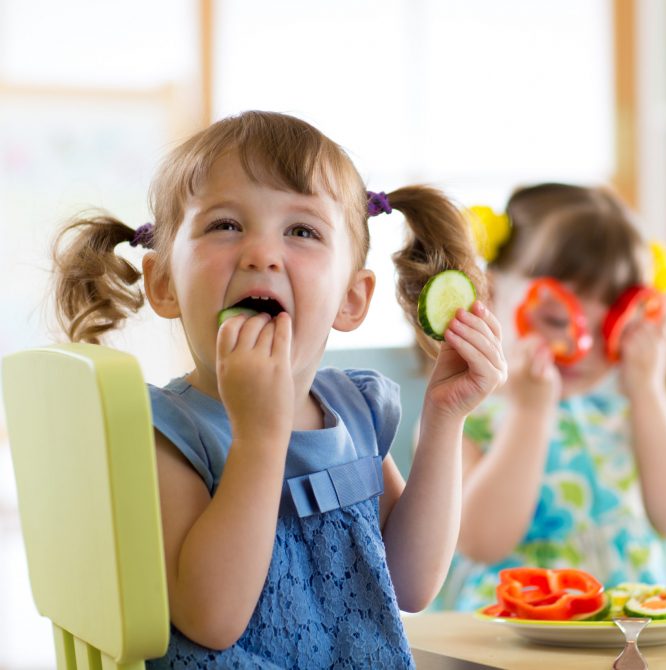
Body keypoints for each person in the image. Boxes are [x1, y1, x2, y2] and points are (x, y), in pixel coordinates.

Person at [51, 110, 507, 668]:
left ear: (351, 299)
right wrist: (260, 437)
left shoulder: (355, 412)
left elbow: (411, 584)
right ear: (164, 283)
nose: (261, 254)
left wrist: (443, 420)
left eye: (302, 231)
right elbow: (212, 619)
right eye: (225, 225)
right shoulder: (164, 431)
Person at [435, 182, 666, 611]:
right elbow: (480, 541)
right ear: (489, 292)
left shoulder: (625, 410)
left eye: (611, 328)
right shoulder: (463, 412)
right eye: (556, 318)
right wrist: (530, 412)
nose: (583, 347)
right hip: (520, 624)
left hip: (630, 622)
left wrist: (649, 393)